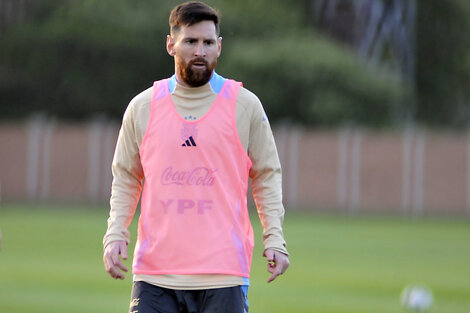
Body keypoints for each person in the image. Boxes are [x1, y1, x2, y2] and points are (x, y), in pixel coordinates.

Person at [103, 2, 289, 312]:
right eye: (190, 41)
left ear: (219, 47)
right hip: (155, 274)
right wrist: (115, 232)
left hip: (223, 274)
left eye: (207, 42)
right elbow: (126, 177)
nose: (199, 50)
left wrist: (275, 238)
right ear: (171, 44)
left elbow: (267, 175)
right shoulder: (143, 107)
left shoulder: (245, 105)